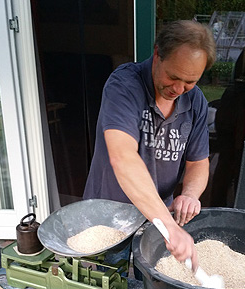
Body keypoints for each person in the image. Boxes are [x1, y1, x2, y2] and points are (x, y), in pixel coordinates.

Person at [83, 20, 216, 274]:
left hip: (158, 217)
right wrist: (169, 226)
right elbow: (123, 157)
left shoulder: (195, 100)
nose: (179, 89)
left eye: (190, 81)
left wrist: (189, 194)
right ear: (157, 54)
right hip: (110, 217)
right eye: (173, 77)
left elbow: (198, 162)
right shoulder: (124, 86)